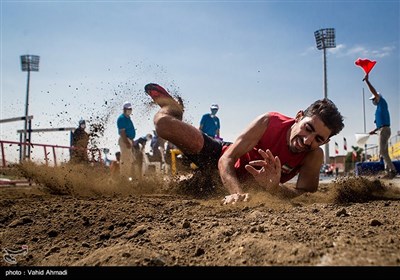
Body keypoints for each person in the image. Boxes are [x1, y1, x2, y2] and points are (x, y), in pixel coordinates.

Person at [144, 83, 344, 204]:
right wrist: (237, 195)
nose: (307, 140)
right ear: (299, 116)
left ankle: (190, 178)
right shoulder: (270, 122)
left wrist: (275, 188)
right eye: (308, 128)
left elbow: (304, 195)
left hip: (216, 186)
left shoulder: (313, 155)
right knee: (163, 124)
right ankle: (173, 108)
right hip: (219, 159)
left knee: (169, 187)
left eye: (319, 139)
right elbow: (227, 159)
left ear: (326, 141)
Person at [363, 74, 397, 179]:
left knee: (382, 151)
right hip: (383, 129)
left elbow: (374, 91)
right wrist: (373, 131)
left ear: (377, 98)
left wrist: (367, 82)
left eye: (373, 99)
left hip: (385, 130)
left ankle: (392, 170)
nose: (373, 101)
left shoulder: (381, 102)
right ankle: (389, 172)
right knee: (384, 152)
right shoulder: (379, 109)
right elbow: (381, 123)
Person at [117, 101, 136, 181]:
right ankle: (124, 178)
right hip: (125, 140)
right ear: (124, 109)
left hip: (128, 140)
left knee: (129, 160)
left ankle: (126, 177)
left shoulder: (128, 118)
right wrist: (127, 142)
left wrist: (131, 140)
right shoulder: (122, 118)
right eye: (128, 109)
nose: (130, 110)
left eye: (130, 109)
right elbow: (122, 132)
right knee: (125, 160)